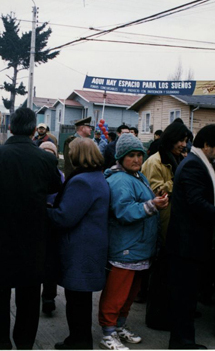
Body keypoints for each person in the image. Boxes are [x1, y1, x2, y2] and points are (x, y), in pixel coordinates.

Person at [0, 108, 62, 350]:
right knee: (29, 299)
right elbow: (54, 186)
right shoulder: (46, 159)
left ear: (10, 128)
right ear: (34, 129)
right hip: (33, 240)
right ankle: (24, 344)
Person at [166, 124, 215, 349]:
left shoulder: (197, 162)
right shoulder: (194, 165)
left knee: (187, 296)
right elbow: (197, 203)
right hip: (186, 244)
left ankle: (182, 340)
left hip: (188, 242)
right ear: (206, 145)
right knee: (185, 297)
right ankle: (183, 342)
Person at [98, 133, 168, 350]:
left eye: (139, 155)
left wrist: (154, 199)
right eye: (131, 155)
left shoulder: (137, 176)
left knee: (129, 294)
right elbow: (124, 211)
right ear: (121, 157)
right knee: (116, 294)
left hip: (138, 248)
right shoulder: (120, 180)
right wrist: (152, 206)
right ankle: (108, 333)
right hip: (125, 248)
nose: (137, 159)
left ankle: (119, 327)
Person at [46, 138, 110, 350]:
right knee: (80, 300)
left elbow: (64, 217)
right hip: (91, 246)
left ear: (79, 155)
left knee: (77, 301)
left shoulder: (82, 181)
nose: (69, 155)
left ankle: (79, 341)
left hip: (80, 249)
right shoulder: (97, 176)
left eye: (71, 151)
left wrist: (44, 209)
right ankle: (79, 340)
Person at [140, 120, 188, 330]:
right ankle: (156, 318)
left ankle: (169, 313)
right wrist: (179, 179)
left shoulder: (180, 158)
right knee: (160, 275)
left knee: (172, 275)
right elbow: (155, 191)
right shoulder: (154, 161)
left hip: (177, 223)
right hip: (161, 223)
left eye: (186, 140)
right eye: (180, 140)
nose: (183, 144)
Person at [38, 140, 65, 317]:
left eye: (52, 153)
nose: (48, 156)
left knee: (51, 262)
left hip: (53, 223)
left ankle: (49, 297)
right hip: (36, 222)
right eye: (45, 152)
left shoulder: (61, 175)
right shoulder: (32, 173)